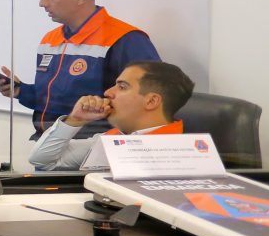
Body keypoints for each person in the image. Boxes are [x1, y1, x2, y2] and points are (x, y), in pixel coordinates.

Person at [0, 0, 160, 135]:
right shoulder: (50, 39)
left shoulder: (125, 40)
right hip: (47, 142)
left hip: (93, 145)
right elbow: (53, 102)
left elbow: (152, 100)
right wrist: (21, 91)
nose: (42, 2)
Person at [29, 61, 194, 171]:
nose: (108, 92)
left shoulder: (178, 154)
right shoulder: (113, 138)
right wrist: (75, 120)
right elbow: (42, 160)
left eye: (122, 87)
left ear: (151, 101)